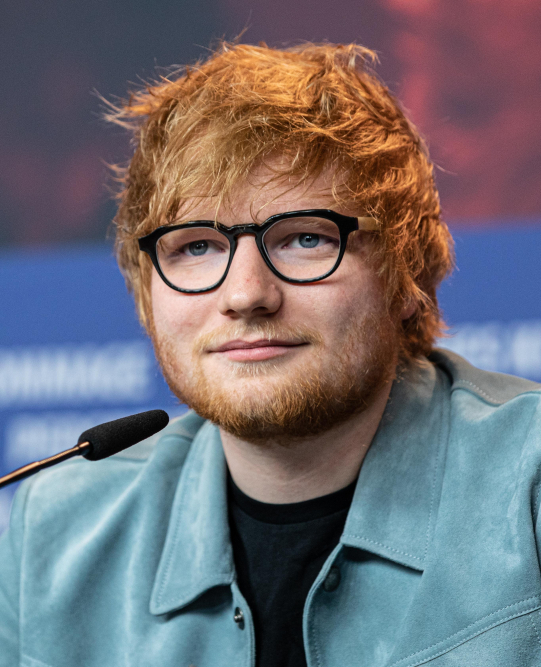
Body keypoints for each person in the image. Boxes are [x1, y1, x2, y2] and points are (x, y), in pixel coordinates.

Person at [0, 42, 540, 667]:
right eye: (196, 247)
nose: (246, 295)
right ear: (146, 295)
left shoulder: (528, 487)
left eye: (305, 238)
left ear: (405, 275)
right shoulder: (55, 535)